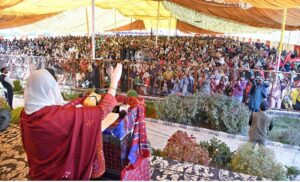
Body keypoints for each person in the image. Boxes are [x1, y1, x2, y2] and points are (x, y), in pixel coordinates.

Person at [20, 64, 123, 180]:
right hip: (59, 175)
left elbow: (63, 111)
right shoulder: (57, 117)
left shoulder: (25, 114)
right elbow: (101, 111)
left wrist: (84, 99)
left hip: (37, 171)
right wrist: (114, 82)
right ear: (50, 89)